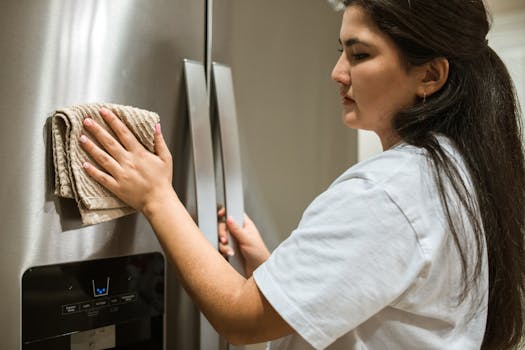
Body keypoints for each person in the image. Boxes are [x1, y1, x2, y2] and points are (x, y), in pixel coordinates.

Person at [78, 0, 525, 349]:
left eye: (361, 54)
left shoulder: (389, 191)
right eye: (341, 52)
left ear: (430, 75)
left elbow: (241, 318)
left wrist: (158, 197)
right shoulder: (455, 173)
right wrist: (278, 274)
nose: (337, 73)